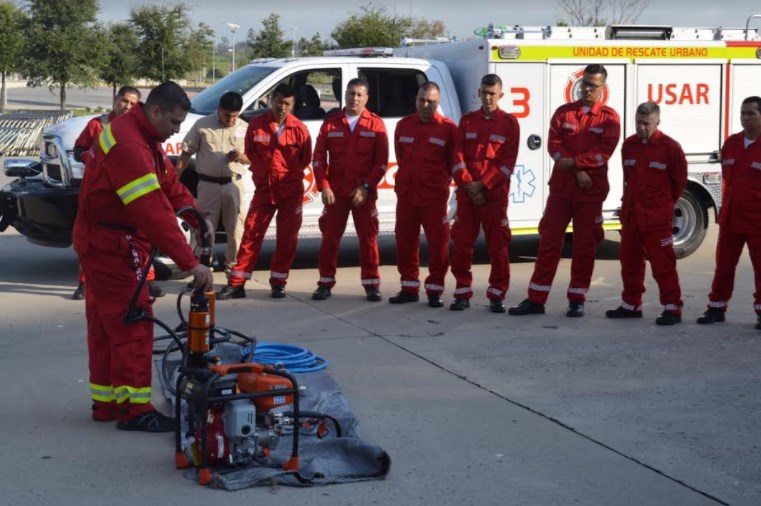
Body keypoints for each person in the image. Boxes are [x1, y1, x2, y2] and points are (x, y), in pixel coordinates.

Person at [73, 81, 214, 432]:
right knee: (134, 323)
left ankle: (108, 404)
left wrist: (192, 212)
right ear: (154, 111)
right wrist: (190, 263)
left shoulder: (139, 133)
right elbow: (151, 210)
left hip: (100, 237)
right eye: (174, 123)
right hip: (112, 244)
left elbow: (166, 181)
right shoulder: (130, 144)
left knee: (107, 326)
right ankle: (136, 411)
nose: (177, 132)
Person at [509, 64, 621, 318]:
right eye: (585, 84)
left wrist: (577, 164)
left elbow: (604, 151)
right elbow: (554, 145)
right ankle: (536, 299)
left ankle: (577, 299)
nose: (588, 89)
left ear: (603, 88)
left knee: (584, 246)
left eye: (594, 85)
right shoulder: (563, 113)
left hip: (590, 193)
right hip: (562, 189)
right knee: (548, 243)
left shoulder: (609, 118)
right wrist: (576, 168)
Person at [216, 84, 312, 300]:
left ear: (293, 104)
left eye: (287, 103)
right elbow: (250, 152)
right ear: (271, 100)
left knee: (287, 240)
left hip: (290, 192)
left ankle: (278, 282)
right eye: (279, 101)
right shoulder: (257, 125)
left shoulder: (300, 130)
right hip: (264, 190)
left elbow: (305, 159)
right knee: (251, 235)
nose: (282, 107)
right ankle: (237, 284)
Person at [71, 86, 165, 300]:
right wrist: (93, 159)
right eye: (124, 101)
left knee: (141, 235)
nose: (127, 107)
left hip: (129, 190)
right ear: (115, 100)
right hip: (100, 192)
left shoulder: (141, 129)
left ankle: (147, 280)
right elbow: (78, 151)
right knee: (92, 238)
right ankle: (85, 284)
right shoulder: (98, 124)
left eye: (133, 104)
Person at [605, 101, 686, 325]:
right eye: (639, 123)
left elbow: (678, 182)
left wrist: (662, 206)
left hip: (656, 217)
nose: (642, 128)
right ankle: (631, 304)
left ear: (657, 122)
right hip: (632, 215)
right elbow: (628, 177)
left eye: (647, 124)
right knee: (629, 263)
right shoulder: (629, 145)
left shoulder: (670, 148)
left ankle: (672, 307)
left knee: (663, 264)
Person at [311, 78, 389, 302]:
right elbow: (318, 158)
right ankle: (325, 283)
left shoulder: (375, 124)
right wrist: (323, 186)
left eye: (359, 95)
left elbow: (381, 162)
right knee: (330, 239)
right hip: (336, 194)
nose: (354, 98)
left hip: (363, 195)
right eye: (351, 93)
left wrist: (366, 187)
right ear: (344, 94)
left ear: (366, 98)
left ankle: (372, 284)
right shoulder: (331, 122)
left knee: (368, 239)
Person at [449, 74, 520, 313]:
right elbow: (457, 158)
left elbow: (508, 163)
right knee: (462, 245)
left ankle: (497, 294)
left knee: (498, 247)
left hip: (494, 196)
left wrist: (484, 186)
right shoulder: (467, 122)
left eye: (493, 93)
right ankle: (462, 293)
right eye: (484, 92)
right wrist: (470, 185)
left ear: (501, 95)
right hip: (468, 196)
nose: (488, 97)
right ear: (478, 93)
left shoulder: (509, 124)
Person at [390, 81, 462, 308]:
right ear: (416, 101)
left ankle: (435, 289)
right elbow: (401, 159)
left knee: (438, 245)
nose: (425, 105)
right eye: (422, 100)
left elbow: (454, 164)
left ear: (438, 102)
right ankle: (409, 287)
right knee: (405, 243)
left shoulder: (449, 129)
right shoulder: (403, 126)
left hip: (434, 198)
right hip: (407, 196)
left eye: (431, 101)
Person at [697, 96, 761, 329]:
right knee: (723, 266)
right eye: (743, 113)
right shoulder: (732, 143)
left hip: (757, 221)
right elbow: (727, 177)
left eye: (751, 114)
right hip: (731, 219)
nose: (745, 118)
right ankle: (716, 308)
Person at [175, 91, 250, 273]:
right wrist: (174, 178)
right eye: (226, 115)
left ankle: (234, 273)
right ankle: (201, 270)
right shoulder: (202, 125)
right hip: (208, 186)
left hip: (234, 185)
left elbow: (254, 158)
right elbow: (186, 153)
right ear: (219, 109)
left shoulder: (245, 128)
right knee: (204, 230)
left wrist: (241, 157)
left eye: (234, 116)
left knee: (237, 231)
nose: (230, 120)